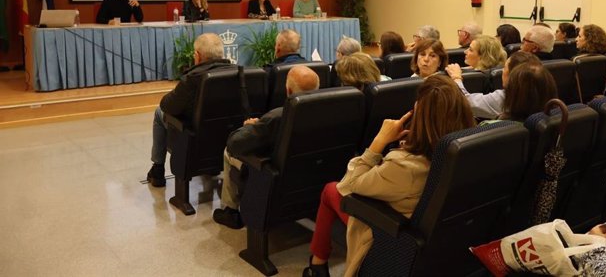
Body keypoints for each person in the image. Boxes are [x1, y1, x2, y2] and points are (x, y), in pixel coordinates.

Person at [302, 75, 475, 277]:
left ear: (418, 117)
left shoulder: (404, 166)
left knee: (330, 189)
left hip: (389, 234)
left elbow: (348, 185)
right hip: (439, 241)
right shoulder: (463, 151)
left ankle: (317, 266)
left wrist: (378, 142)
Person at [213, 66, 320, 229]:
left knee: (228, 152)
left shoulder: (276, 117)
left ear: (288, 90)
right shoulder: (329, 110)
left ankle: (231, 211)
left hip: (276, 177)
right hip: (312, 175)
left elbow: (234, 143)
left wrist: (249, 128)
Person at [146, 33, 234, 187]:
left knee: (159, 113)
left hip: (195, 139)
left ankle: (158, 170)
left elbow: (167, 106)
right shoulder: (237, 73)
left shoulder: (192, 79)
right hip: (227, 135)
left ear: (197, 56)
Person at [446, 51, 541, 120]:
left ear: (513, 75)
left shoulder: (506, 98)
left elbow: (467, 103)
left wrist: (456, 78)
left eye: (505, 68)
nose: (502, 71)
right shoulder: (543, 93)